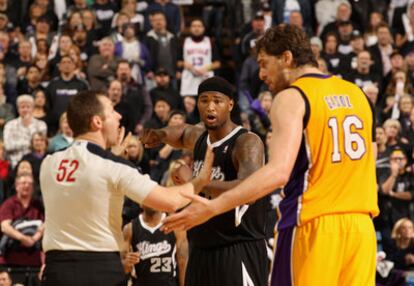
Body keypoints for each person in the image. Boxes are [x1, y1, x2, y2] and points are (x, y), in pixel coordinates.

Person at [162, 24, 379, 285]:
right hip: (362, 230)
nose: (262, 74)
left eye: (265, 64)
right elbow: (371, 160)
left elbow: (278, 173)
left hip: (313, 226)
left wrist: (212, 207)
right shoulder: (358, 95)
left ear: (286, 58)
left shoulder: (293, 96)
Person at [39, 90, 213, 286]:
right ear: (97, 122)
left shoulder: (48, 163)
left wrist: (109, 154)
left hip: (56, 270)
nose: (119, 116)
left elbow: (86, 176)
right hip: (99, 269)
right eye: (112, 111)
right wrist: (201, 179)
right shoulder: (114, 166)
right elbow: (170, 202)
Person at [141, 76, 268, 286]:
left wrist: (194, 182)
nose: (210, 107)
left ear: (230, 104)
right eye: (204, 100)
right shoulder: (201, 136)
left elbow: (250, 190)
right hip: (201, 249)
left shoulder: (246, 142)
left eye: (217, 101)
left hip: (237, 248)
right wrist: (160, 134)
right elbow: (182, 133)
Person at [121, 205, 187, 286]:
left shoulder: (175, 226)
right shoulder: (129, 228)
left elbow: (182, 262)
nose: (152, 202)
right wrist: (127, 263)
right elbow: (123, 268)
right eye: (149, 197)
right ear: (140, 202)